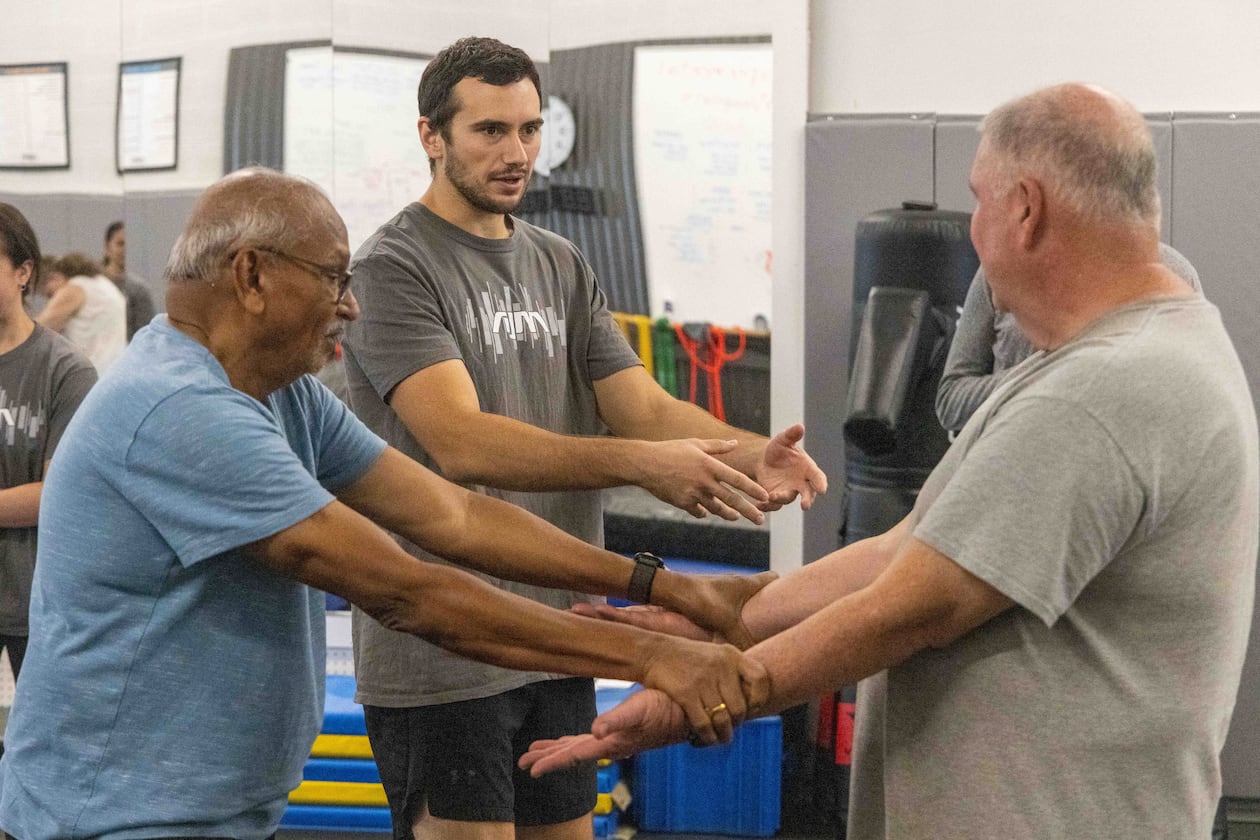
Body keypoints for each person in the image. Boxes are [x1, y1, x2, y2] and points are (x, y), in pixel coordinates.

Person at [520, 83, 1259, 840]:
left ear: (1026, 210)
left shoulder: (1102, 392)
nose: (974, 230)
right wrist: (729, 619)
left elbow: (913, 607)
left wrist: (709, 693)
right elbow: (909, 549)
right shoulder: (1127, 353)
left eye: (979, 200)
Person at [0, 167, 775, 840]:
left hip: (207, 807)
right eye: (335, 278)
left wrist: (666, 587)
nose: (351, 305)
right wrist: (652, 654)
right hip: (112, 817)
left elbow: (456, 516)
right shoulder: (177, 408)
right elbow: (407, 592)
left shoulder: (286, 396)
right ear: (252, 276)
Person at [342, 36, 826, 840]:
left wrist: (747, 452)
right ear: (431, 136)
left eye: (528, 130)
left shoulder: (559, 262)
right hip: (447, 648)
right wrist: (642, 464)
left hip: (565, 634)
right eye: (490, 131)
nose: (517, 153)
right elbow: (463, 442)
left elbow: (640, 407)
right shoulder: (393, 267)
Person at [0, 205, 96, 755]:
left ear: (23, 272)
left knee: (46, 757)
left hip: (38, 600)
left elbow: (57, 495)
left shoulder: (65, 370)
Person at [936, 243, 1202, 432]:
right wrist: (1040, 378)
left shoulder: (1174, 275)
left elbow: (1189, 405)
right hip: (1011, 465)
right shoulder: (1003, 265)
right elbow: (951, 401)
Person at [36, 251, 127, 372]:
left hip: (93, 375)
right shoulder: (102, 283)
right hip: (114, 373)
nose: (51, 301)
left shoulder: (75, 287)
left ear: (55, 277)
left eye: (50, 295)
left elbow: (35, 331)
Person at [102, 220, 158, 341]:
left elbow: (145, 334)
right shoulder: (91, 285)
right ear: (107, 247)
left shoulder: (138, 289)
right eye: (120, 244)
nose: (125, 250)